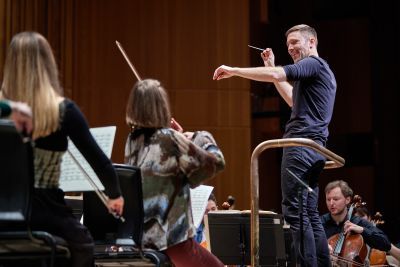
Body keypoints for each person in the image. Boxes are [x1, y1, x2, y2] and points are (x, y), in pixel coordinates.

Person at [213, 24, 336, 266]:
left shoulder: (312, 64)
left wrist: (234, 70)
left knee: (295, 214)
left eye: (295, 42)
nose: (290, 48)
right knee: (309, 213)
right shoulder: (323, 72)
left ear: (312, 42)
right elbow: (292, 99)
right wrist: (271, 66)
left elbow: (277, 75)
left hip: (300, 147)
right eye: (288, 44)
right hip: (313, 149)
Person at [0, 31, 124, 267]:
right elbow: (99, 162)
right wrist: (115, 195)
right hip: (46, 213)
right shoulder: (62, 111)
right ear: (47, 65)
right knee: (84, 244)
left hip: (4, 214)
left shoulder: (3, 111)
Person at [124, 79, 225, 267]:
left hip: (143, 240)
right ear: (162, 106)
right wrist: (196, 137)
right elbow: (216, 162)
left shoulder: (132, 142)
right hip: (172, 241)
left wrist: (177, 137)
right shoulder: (170, 140)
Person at [321, 180, 392, 262]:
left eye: (336, 199)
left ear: (347, 200)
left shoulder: (358, 222)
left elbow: (386, 244)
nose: (331, 203)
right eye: (328, 199)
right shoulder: (320, 223)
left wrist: (362, 230)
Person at [354, 199, 400, 266]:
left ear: (369, 218)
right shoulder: (353, 237)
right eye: (356, 217)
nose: (359, 220)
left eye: (362, 216)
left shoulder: (379, 236)